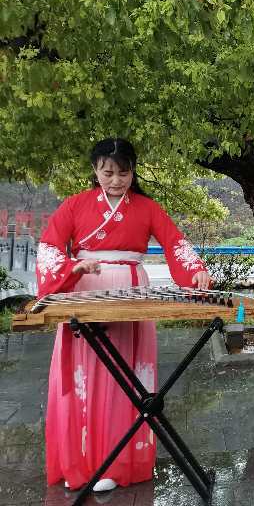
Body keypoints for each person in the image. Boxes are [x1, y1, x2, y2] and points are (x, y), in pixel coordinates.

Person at [37, 138, 211, 493]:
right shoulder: (75, 205)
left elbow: (175, 242)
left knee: (126, 378)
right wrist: (72, 266)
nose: (116, 180)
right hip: (87, 290)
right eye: (108, 172)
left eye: (123, 172)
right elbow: (49, 246)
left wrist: (195, 271)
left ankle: (118, 464)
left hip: (133, 291)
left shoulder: (146, 208)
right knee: (87, 374)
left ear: (133, 171)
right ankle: (81, 462)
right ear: (95, 171)